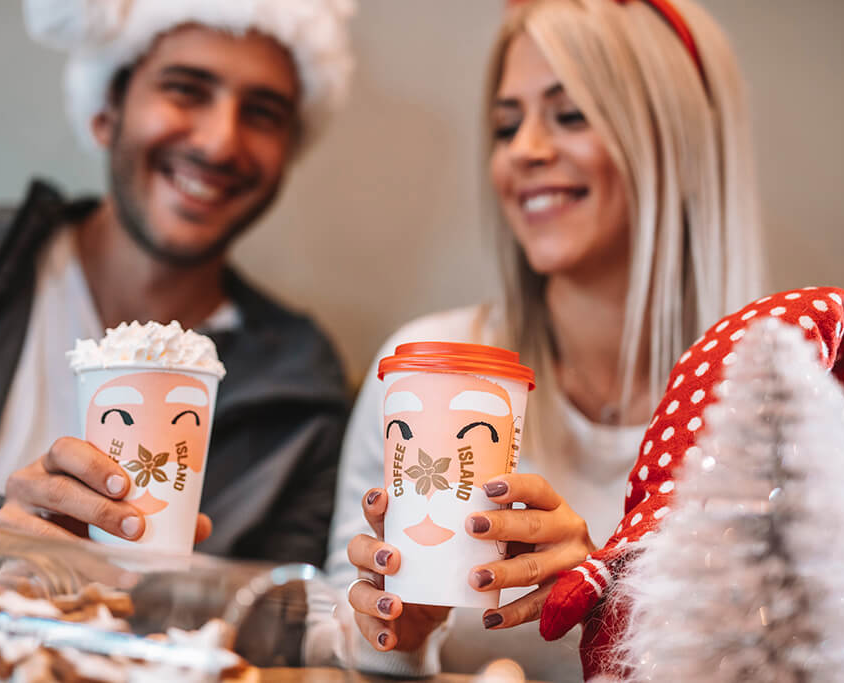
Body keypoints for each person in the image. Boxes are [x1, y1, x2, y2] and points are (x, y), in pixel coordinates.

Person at [0, 0, 353, 671]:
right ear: (106, 108)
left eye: (264, 112)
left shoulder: (301, 389)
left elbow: (273, 641)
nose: (220, 141)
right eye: (186, 89)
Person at [327, 0, 762, 678]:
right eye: (507, 125)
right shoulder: (428, 374)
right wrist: (394, 638)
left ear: (675, 144)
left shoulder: (773, 413)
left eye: (571, 114)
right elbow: (331, 638)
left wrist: (612, 605)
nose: (524, 150)